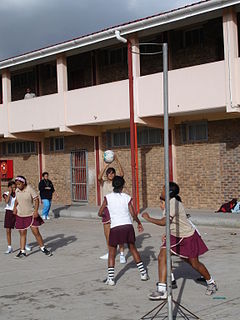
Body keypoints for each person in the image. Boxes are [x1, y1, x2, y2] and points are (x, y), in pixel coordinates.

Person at [142, 182, 217, 300]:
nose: (160, 191)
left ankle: (211, 282)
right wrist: (167, 234)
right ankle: (162, 290)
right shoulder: (169, 203)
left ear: (169, 192)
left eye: (163, 189)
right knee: (162, 256)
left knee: (194, 263)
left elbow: (164, 222)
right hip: (174, 236)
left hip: (186, 237)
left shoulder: (173, 204)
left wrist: (148, 218)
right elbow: (172, 223)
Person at [98, 176, 148, 286]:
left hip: (115, 227)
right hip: (127, 226)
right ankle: (143, 273)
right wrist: (139, 223)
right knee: (133, 249)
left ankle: (111, 279)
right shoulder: (127, 197)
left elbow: (100, 212)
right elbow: (133, 213)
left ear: (113, 185)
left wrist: (107, 215)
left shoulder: (108, 197)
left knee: (111, 253)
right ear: (122, 186)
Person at [13, 176, 52, 258]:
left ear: (23, 183)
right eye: (17, 185)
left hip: (30, 214)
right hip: (21, 214)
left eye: (19, 184)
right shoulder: (17, 190)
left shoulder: (29, 189)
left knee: (36, 232)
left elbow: (36, 199)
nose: (18, 186)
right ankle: (22, 251)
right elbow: (17, 199)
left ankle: (43, 248)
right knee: (22, 233)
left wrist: (36, 211)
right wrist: (14, 208)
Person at [98, 155, 126, 263]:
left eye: (112, 173)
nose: (111, 174)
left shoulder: (117, 182)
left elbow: (122, 174)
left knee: (118, 231)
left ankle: (122, 253)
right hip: (106, 210)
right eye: (109, 173)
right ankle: (110, 251)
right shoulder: (104, 183)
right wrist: (106, 165)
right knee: (107, 233)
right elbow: (99, 177)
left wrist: (118, 161)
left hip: (116, 209)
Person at [2, 180, 31, 254]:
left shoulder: (18, 193)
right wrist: (10, 193)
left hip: (18, 212)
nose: (14, 189)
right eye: (12, 187)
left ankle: (24, 244)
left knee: (21, 229)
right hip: (9, 212)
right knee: (8, 230)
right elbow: (6, 201)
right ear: (9, 187)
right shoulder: (6, 193)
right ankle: (9, 247)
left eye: (15, 187)